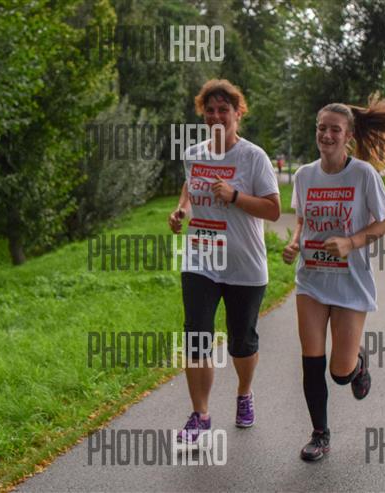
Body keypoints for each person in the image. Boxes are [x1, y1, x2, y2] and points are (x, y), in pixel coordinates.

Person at [282, 96, 385, 461]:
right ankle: (320, 434)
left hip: (351, 281)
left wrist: (351, 242)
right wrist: (295, 242)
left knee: (340, 373)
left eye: (335, 129)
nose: (327, 135)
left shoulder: (363, 174)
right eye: (322, 128)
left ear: (348, 136)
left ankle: (357, 363)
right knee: (311, 361)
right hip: (311, 279)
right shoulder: (304, 175)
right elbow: (302, 219)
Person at [168, 79, 280, 446]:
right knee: (196, 334)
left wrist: (234, 196)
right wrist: (181, 209)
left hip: (244, 263)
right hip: (200, 258)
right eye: (210, 110)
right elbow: (190, 184)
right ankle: (200, 415)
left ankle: (244, 393)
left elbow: (273, 209)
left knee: (241, 341)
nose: (216, 117)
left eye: (223, 110)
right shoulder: (193, 153)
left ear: (238, 113)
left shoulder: (253, 157)